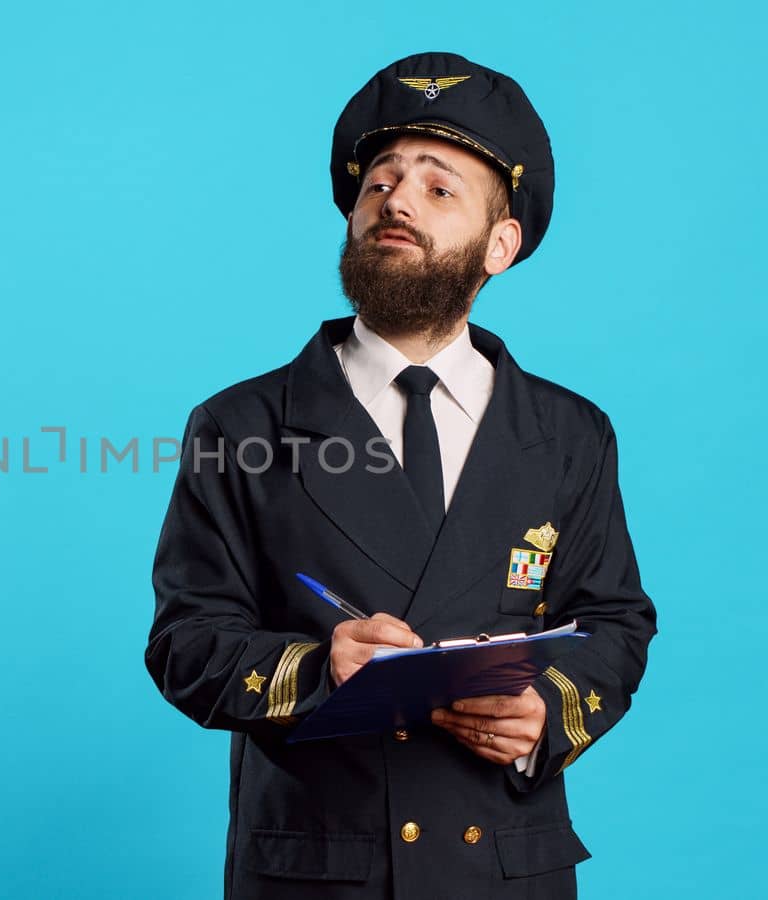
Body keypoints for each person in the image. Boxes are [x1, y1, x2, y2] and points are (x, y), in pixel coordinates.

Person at [144, 52, 657, 899]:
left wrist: (542, 716)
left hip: (503, 869)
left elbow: (614, 622)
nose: (398, 199)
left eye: (438, 186)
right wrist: (320, 667)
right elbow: (184, 644)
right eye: (380, 181)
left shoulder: (571, 433)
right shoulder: (237, 426)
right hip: (318, 874)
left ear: (500, 245)